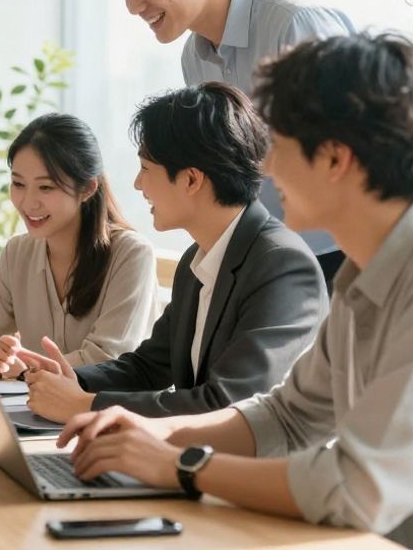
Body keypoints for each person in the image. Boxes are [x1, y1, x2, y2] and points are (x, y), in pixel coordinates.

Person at [53, 33, 413, 550]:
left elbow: (358, 488)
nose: (267, 168)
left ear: (335, 159)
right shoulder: (365, 272)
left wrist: (181, 464)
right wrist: (159, 435)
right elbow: (289, 416)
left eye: (281, 147)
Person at [93, 0, 355, 287]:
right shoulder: (194, 58)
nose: (133, 6)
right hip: (270, 260)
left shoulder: (293, 25)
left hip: (341, 254)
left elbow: (354, 155)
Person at [19, 83, 326, 421]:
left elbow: (228, 402)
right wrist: (70, 380)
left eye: (146, 169)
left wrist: (84, 405)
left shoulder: (282, 264)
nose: (137, 184)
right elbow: (149, 367)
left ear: (191, 180)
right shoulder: (198, 259)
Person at [0, 113, 156, 378]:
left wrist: (26, 368)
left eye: (45, 188)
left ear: (87, 189)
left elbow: (105, 359)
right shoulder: (17, 252)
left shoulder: (131, 254)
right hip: (37, 410)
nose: (28, 203)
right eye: (18, 184)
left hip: (108, 411)